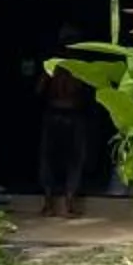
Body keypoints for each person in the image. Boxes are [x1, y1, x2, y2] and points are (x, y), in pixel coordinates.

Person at [37, 61, 94, 219]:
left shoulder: (55, 68)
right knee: (69, 158)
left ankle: (55, 203)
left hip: (60, 112)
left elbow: (39, 89)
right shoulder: (73, 68)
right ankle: (60, 202)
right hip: (67, 112)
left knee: (57, 158)